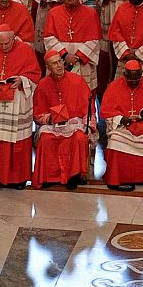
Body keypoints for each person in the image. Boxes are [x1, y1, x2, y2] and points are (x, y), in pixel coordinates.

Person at [0, 25, 41, 187]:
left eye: (7, 44)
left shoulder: (25, 50)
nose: (3, 47)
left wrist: (22, 80)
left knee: (17, 140)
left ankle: (18, 178)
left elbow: (35, 74)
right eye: (0, 44)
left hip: (17, 101)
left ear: (13, 39)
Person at [99, 59, 143, 189]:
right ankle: (117, 180)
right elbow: (107, 112)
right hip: (122, 126)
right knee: (115, 141)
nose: (134, 82)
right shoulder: (114, 87)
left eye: (137, 79)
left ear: (141, 74)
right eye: (130, 79)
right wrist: (121, 119)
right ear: (125, 75)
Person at [33, 50, 95, 188]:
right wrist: (50, 118)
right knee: (46, 139)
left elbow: (89, 107)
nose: (59, 66)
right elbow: (37, 114)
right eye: (54, 63)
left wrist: (89, 126)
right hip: (52, 125)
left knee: (79, 137)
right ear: (48, 67)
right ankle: (49, 177)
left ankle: (74, 175)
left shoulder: (77, 81)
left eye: (60, 61)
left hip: (74, 122)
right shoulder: (42, 85)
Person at [41, 0, 102, 89]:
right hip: (60, 61)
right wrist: (65, 55)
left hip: (83, 60)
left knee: (83, 94)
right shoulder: (53, 13)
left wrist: (78, 56)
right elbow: (49, 38)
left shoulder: (90, 13)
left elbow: (94, 39)